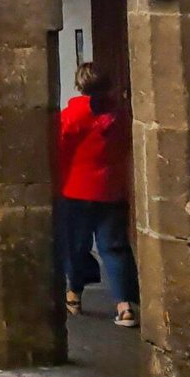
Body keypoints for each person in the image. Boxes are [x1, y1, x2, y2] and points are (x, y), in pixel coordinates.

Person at [56, 63, 139, 328]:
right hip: (111, 190)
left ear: (79, 85)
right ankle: (124, 306)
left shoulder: (72, 115)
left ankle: (74, 295)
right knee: (114, 248)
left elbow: (58, 148)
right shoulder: (120, 116)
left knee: (75, 247)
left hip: (76, 189)